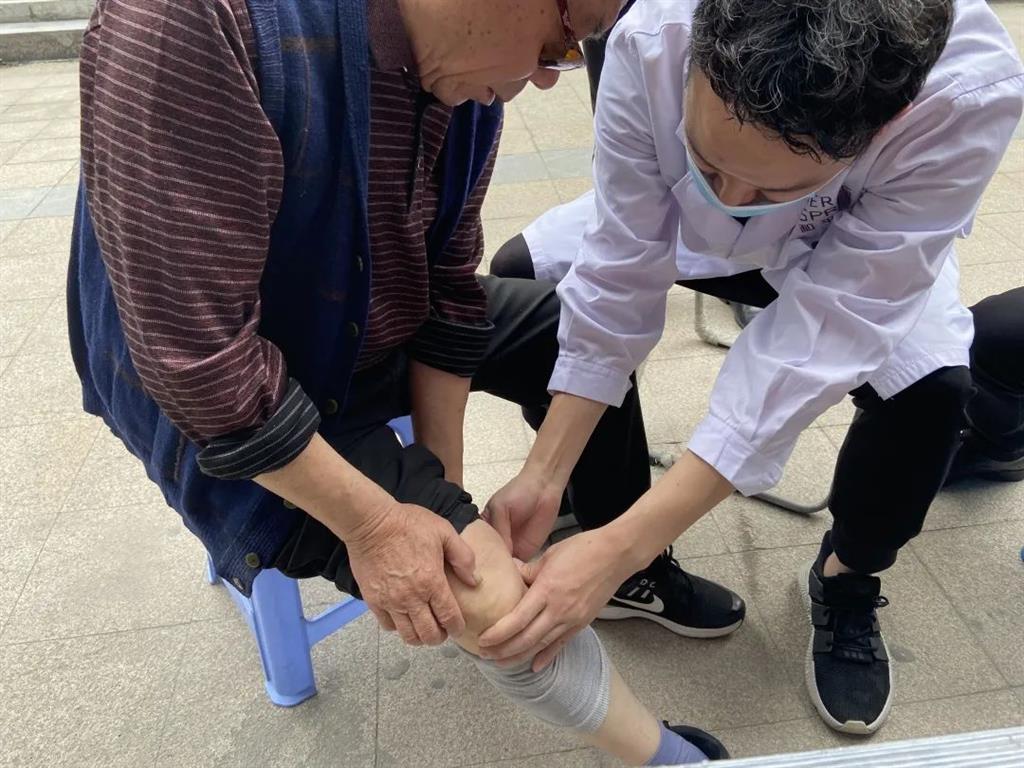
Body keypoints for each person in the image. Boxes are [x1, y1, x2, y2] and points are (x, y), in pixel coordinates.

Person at [66, 0, 737, 763]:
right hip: (246, 385)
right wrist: (382, 528)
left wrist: (443, 486)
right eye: (559, 43)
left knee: (575, 338)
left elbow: (449, 289)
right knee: (492, 597)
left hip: (371, 319)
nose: (550, 79)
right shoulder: (189, 21)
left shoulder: (466, 72)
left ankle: (619, 572)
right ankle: (669, 758)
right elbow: (201, 365)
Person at [480, 0, 1024, 737]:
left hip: (851, 248)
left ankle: (847, 578)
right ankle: (605, 520)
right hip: (676, 220)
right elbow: (623, 260)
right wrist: (544, 472)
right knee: (525, 277)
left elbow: (827, 332)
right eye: (706, 161)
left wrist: (619, 548)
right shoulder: (654, 38)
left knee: (932, 391)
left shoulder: (965, 94)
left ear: (887, 121)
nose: (733, 203)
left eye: (771, 188)